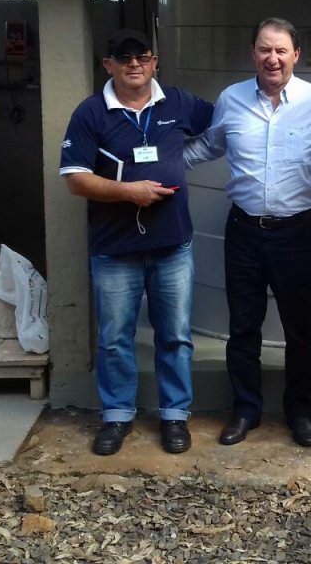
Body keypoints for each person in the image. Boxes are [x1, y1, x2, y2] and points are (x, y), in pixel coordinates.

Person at [184, 17, 311, 448]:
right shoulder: (231, 99)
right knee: (243, 327)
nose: (273, 58)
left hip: (297, 233)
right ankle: (246, 409)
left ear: (295, 55)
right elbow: (209, 145)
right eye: (265, 49)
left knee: (300, 329)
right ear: (253, 52)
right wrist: (156, 165)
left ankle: (299, 410)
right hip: (245, 232)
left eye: (281, 50)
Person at [60, 28, 213, 456]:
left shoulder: (177, 103)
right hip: (114, 251)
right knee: (114, 339)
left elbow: (222, 124)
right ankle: (117, 416)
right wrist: (131, 191)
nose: (134, 65)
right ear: (108, 65)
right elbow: (74, 179)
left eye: (142, 57)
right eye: (123, 57)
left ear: (154, 62)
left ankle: (174, 416)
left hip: (172, 246)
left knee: (175, 337)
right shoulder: (90, 113)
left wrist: (186, 159)